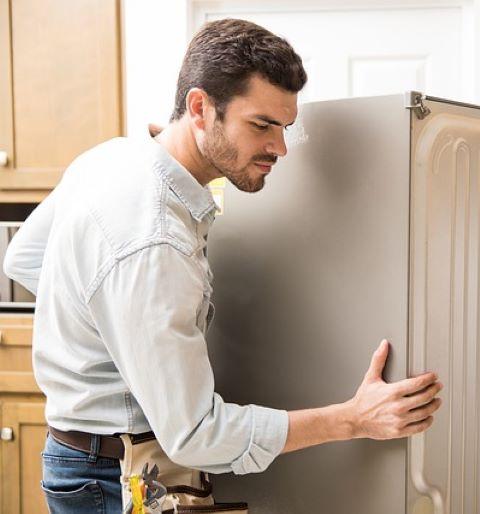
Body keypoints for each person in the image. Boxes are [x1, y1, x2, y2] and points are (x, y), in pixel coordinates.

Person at [4, 18, 442, 513]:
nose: (279, 147)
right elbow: (194, 433)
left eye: (284, 127)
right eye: (261, 125)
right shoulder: (155, 241)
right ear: (200, 108)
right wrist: (353, 419)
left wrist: (122, 331)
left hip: (79, 457)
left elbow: (23, 258)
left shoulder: (111, 158)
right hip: (118, 476)